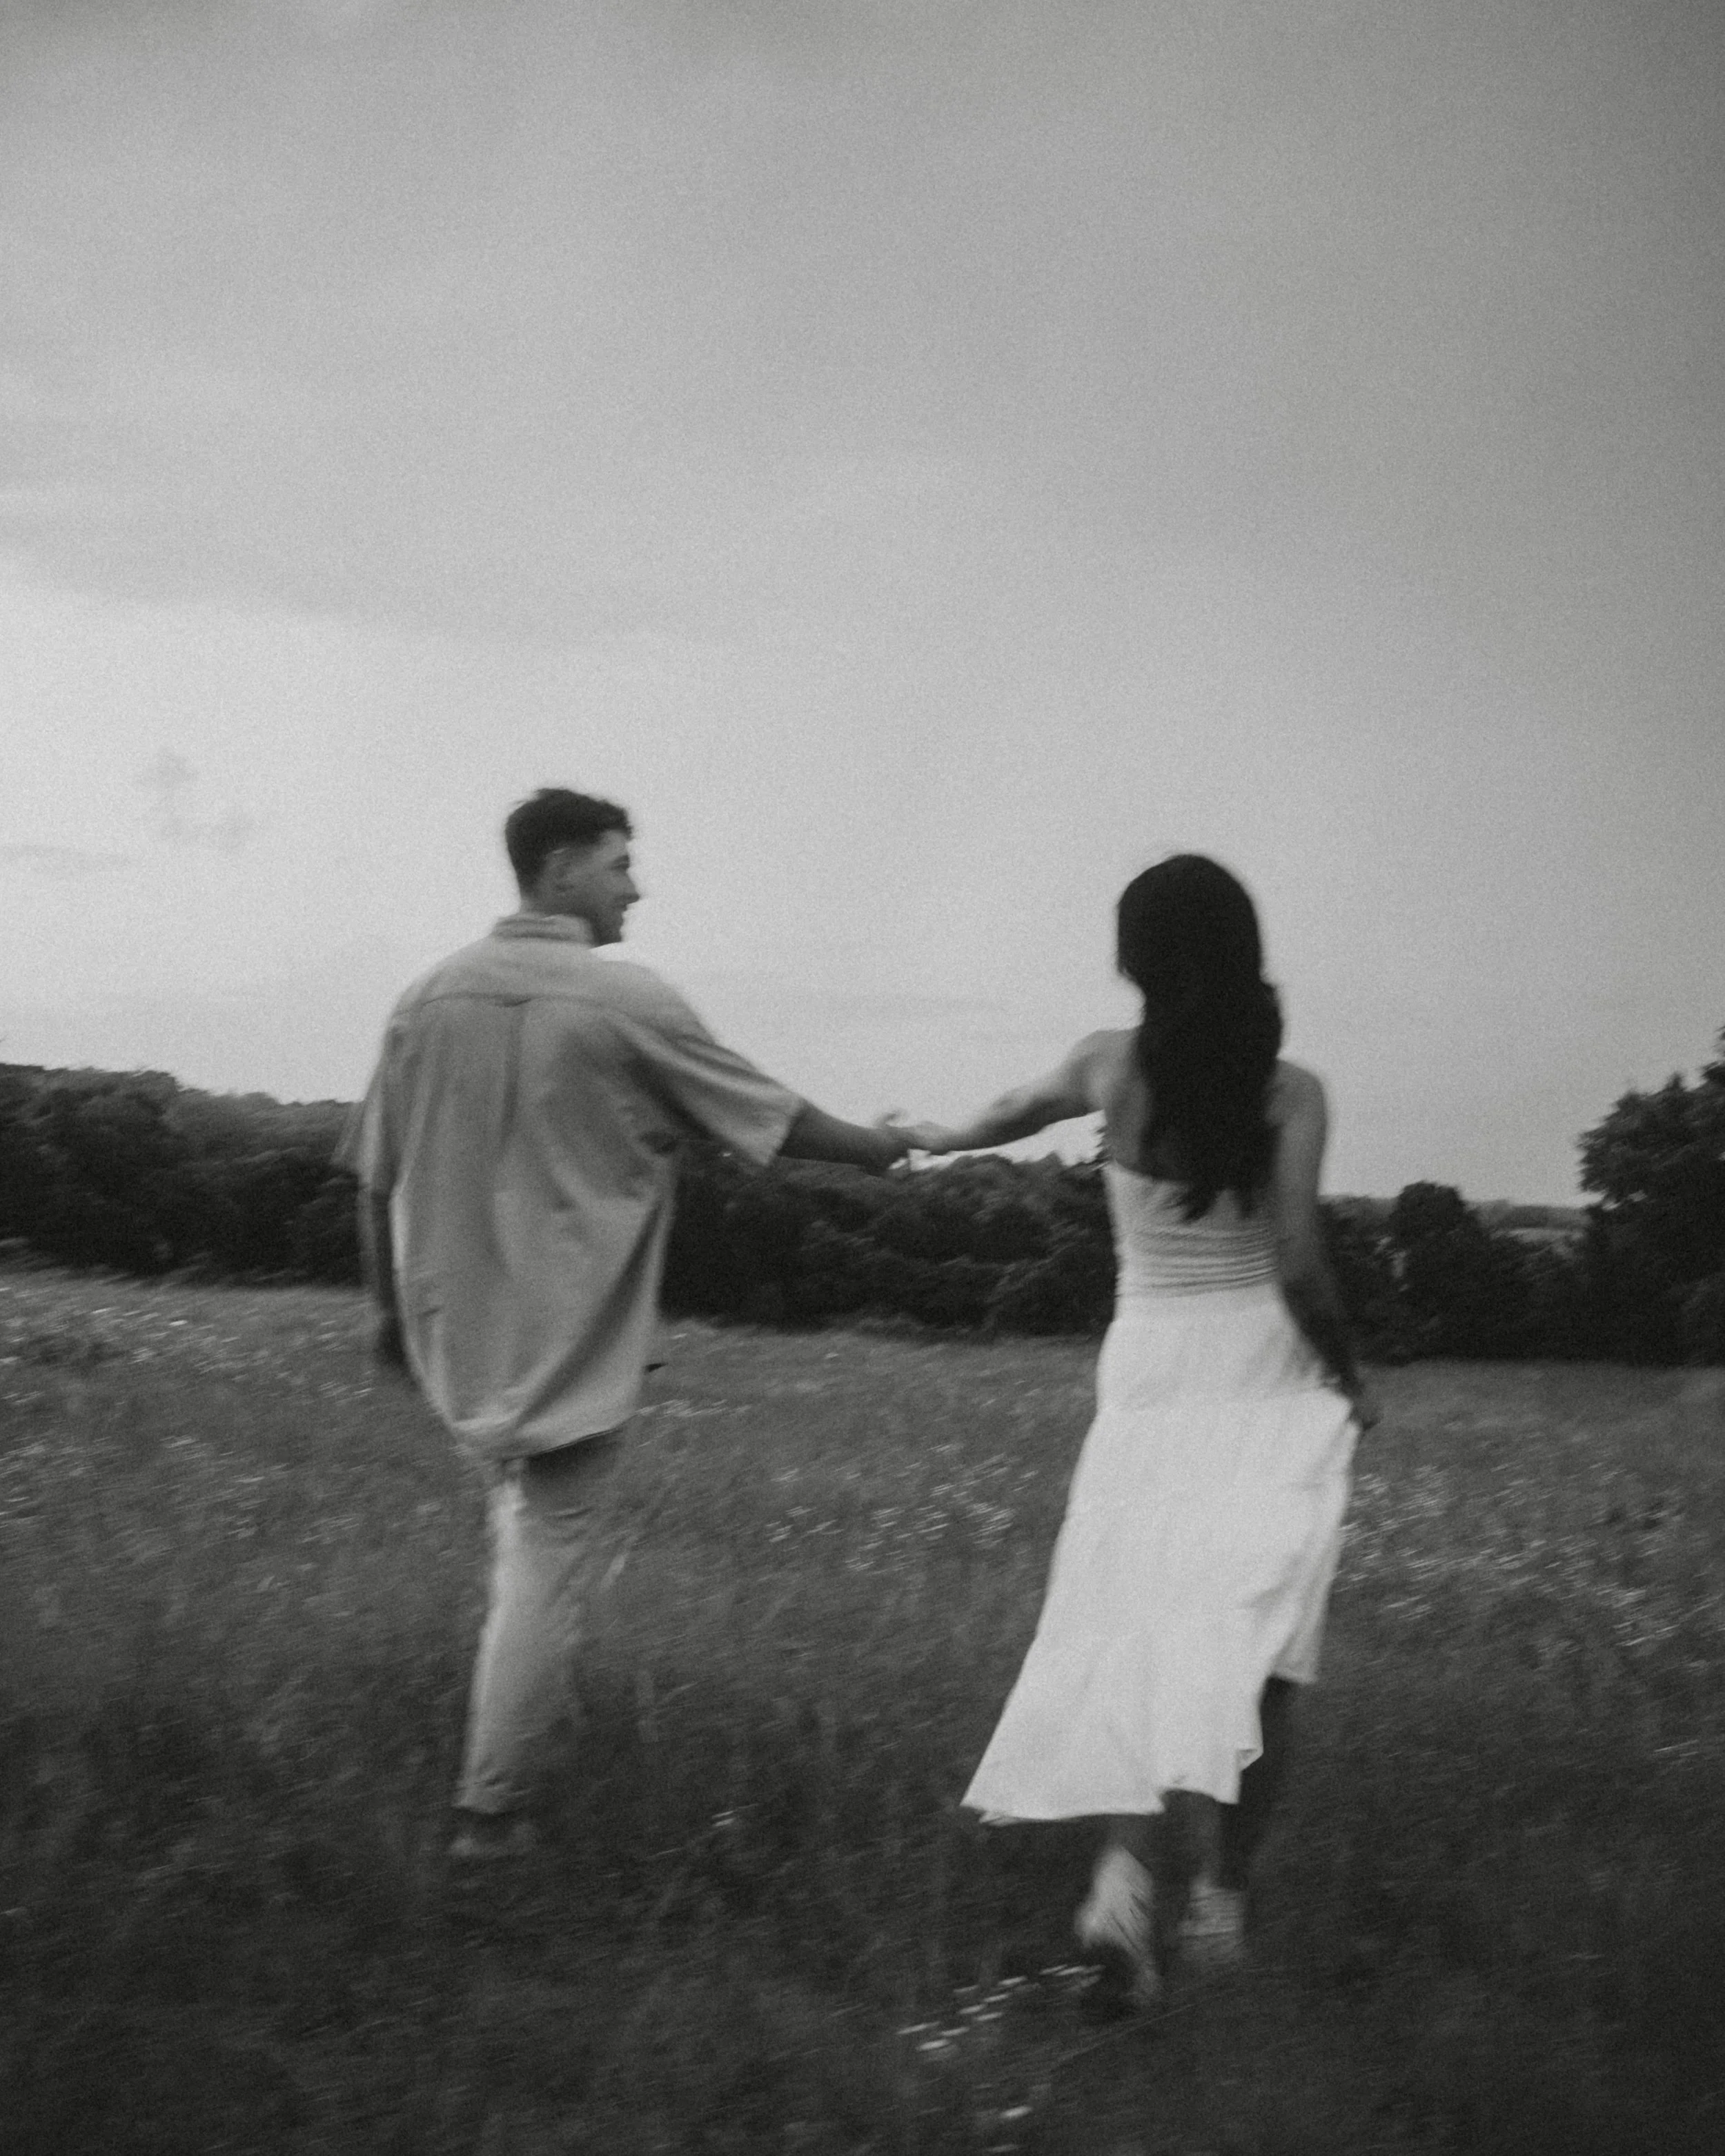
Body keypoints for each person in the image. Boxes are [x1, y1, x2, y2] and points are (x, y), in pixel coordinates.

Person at [340, 788, 912, 1861]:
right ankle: (491, 1815)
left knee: (521, 1540)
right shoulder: (625, 999)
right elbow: (776, 1119)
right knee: (545, 1559)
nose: (635, 887)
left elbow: (373, 1181)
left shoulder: (425, 996)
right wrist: (883, 1148)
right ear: (559, 871)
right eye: (618, 865)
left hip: (454, 1329)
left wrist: (384, 1313)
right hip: (571, 1328)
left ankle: (507, 1751)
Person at [894, 854, 1379, 2010]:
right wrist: (1352, 1379)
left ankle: (1120, 1882)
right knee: (1261, 1648)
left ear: (1137, 957)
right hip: (1264, 1374)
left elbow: (1006, 1115)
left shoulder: (1108, 1068)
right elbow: (1302, 1261)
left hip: (1151, 1370)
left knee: (1136, 1618)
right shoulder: (1290, 1091)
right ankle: (1220, 1903)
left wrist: (935, 1132)